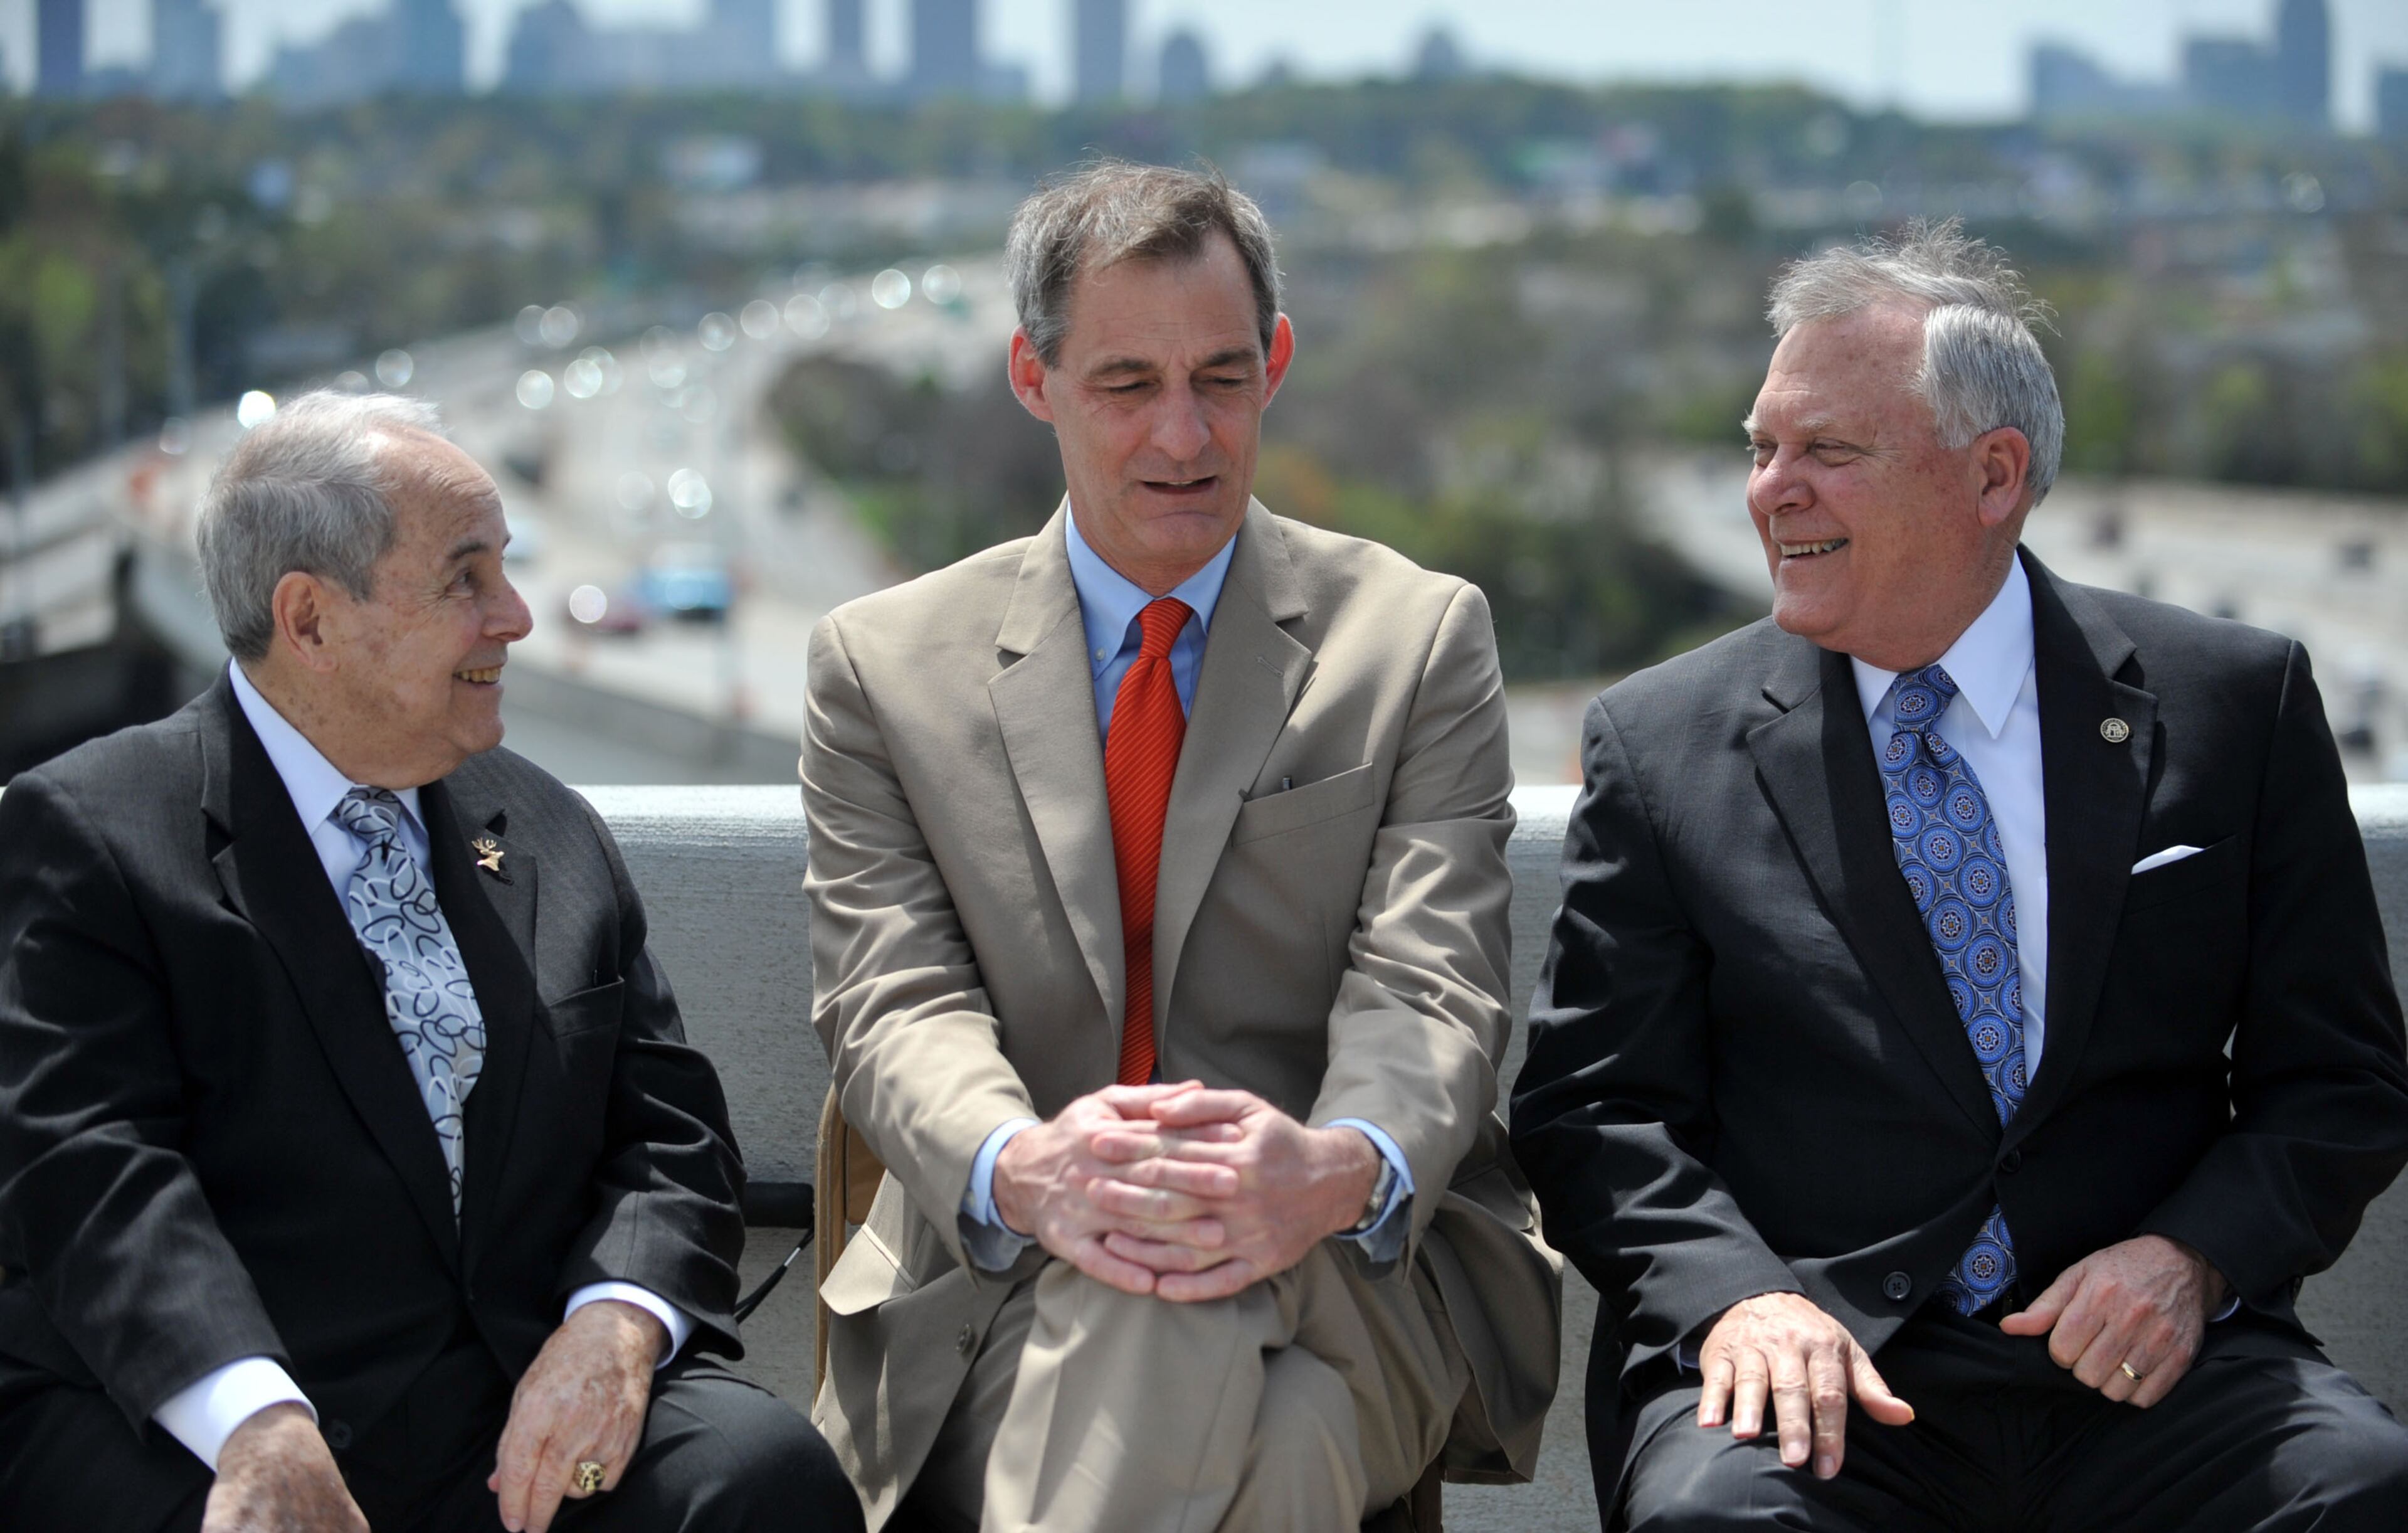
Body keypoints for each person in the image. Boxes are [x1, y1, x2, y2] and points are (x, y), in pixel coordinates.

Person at [1511, 220, 2408, 1532]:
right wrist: (1740, 1300)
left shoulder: (2235, 702)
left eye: (1828, 451)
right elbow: (1595, 1110)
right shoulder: (1660, 744)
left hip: (2148, 1365)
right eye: (1762, 449)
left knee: (2364, 1491)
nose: (1772, 490)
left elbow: (2341, 1078)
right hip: (1821, 1375)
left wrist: (2195, 1260)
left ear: (1995, 476)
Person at [801, 161, 1560, 1532]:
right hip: (1002, 1278)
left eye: (1220, 377)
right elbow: (893, 999)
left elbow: (1432, 984)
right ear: (1034, 382)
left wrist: (1326, 1166)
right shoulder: (883, 668)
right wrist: (1034, 1170)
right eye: (1126, 384)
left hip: (1343, 1253)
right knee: (1286, 1436)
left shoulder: (1417, 639)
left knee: (1157, 1310)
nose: (1183, 436)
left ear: (1274, 363)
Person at [0, 392, 863, 1533]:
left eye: (507, 572)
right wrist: (253, 1419)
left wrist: (613, 1328)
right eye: (466, 579)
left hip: (513, 1423)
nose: (515, 617)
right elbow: (93, 1172)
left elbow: (670, 1135)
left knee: (762, 1476)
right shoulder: (95, 829)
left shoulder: (545, 827)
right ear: (306, 618)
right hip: (206, 1421)